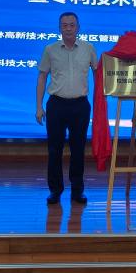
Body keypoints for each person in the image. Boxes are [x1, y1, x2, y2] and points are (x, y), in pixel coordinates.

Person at [36, 11, 98, 206]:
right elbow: (42, 76)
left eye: (72, 25)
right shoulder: (50, 49)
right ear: (59, 28)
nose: (68, 28)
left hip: (80, 105)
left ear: (78, 27)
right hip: (56, 104)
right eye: (64, 25)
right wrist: (38, 106)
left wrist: (101, 104)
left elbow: (98, 75)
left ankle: (77, 191)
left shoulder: (89, 48)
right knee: (54, 150)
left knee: (78, 150)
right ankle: (55, 191)